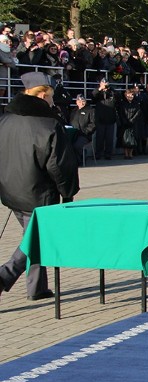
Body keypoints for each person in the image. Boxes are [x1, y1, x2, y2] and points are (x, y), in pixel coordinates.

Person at [0, 72, 79, 303]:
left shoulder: (5, 120)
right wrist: (68, 192)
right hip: (38, 192)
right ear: (43, 95)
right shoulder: (48, 124)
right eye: (52, 98)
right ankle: (4, 275)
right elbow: (59, 164)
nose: (54, 102)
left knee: (35, 236)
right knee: (34, 239)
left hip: (10, 189)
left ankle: (37, 287)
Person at [91, 77, 117, 160]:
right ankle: (98, 153)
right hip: (100, 119)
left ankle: (108, 154)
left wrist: (110, 89)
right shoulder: (98, 92)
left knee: (109, 138)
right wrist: (100, 89)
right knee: (100, 138)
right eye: (103, 83)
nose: (105, 85)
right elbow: (93, 96)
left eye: (106, 83)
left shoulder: (112, 92)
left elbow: (118, 96)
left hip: (110, 119)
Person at [69, 94, 96, 161]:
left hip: (84, 135)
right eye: (80, 101)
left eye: (83, 101)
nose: (81, 103)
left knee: (77, 146)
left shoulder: (90, 110)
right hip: (73, 134)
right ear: (76, 102)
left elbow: (93, 124)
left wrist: (85, 131)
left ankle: (80, 159)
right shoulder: (73, 111)